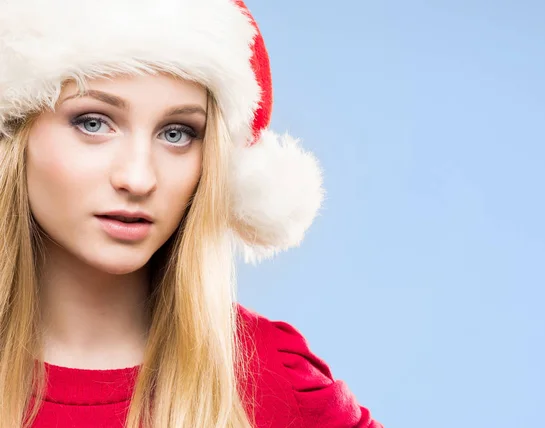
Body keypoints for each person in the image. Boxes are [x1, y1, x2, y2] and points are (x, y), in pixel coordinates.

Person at [0, 0, 383, 427]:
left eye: (177, 133)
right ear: (14, 135)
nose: (139, 178)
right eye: (93, 122)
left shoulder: (273, 383)